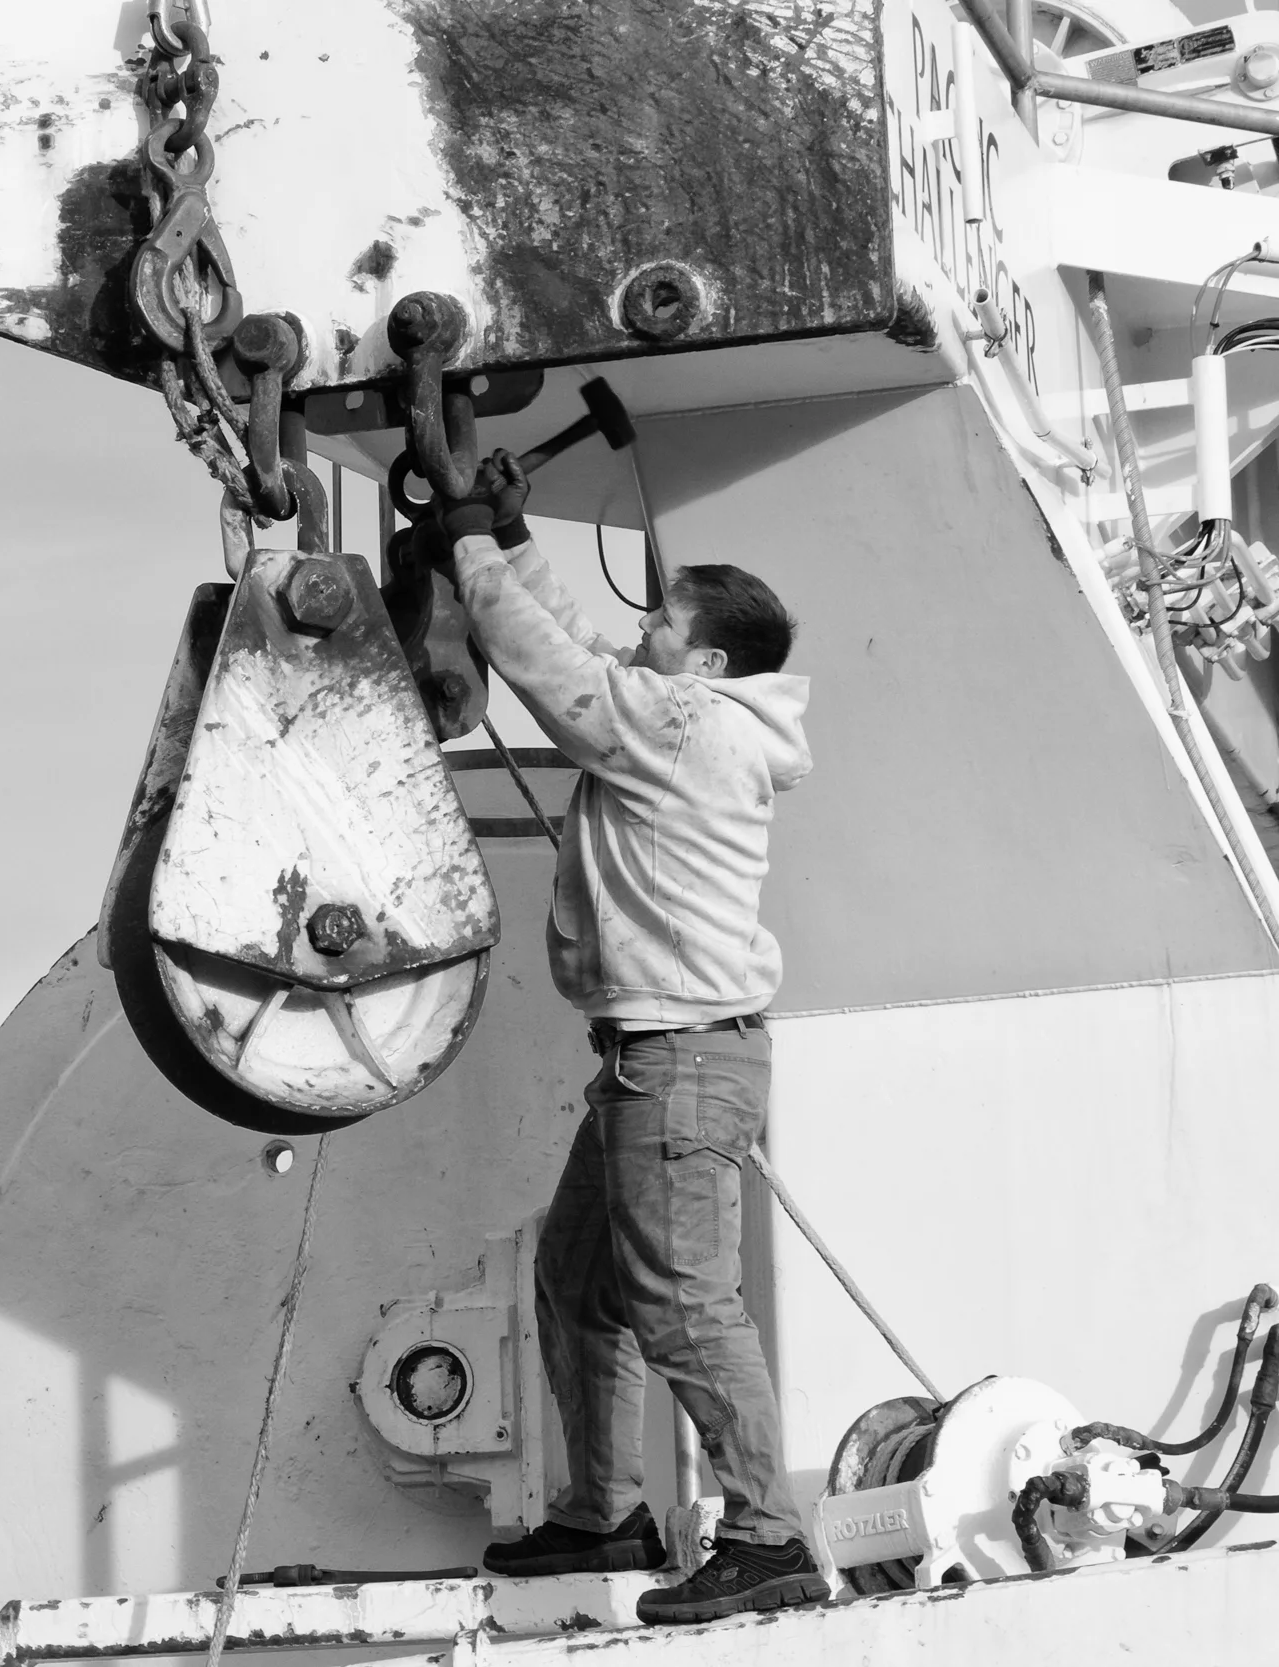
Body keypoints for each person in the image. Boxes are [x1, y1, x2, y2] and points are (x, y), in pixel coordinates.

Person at [438, 454, 823, 1625]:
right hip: (651, 1060)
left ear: (704, 661)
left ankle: (766, 1535)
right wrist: (507, 535)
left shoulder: (685, 721)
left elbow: (558, 674)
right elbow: (587, 655)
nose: (640, 629)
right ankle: (601, 1510)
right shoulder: (685, 709)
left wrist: (465, 550)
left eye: (663, 621)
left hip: (681, 1061)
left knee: (684, 1300)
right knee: (575, 1279)